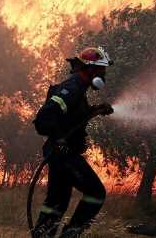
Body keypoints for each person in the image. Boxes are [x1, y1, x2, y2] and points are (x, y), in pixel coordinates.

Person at [31, 47, 115, 238]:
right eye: (102, 70)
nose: (104, 75)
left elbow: (70, 119)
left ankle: (42, 235)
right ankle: (70, 235)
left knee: (57, 202)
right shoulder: (73, 87)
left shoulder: (79, 88)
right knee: (96, 192)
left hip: (59, 154)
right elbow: (45, 117)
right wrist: (60, 140)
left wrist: (95, 111)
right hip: (63, 154)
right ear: (91, 69)